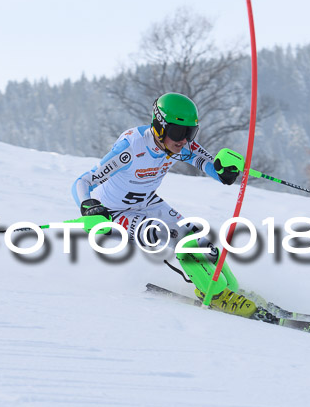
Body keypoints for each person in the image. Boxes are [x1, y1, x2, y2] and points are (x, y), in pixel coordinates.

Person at [71, 92, 258, 317]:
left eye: (190, 132)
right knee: (164, 233)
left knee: (196, 238)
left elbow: (210, 166)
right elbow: (83, 182)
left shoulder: (179, 146)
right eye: (178, 132)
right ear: (159, 126)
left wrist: (224, 171)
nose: (183, 140)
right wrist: (89, 206)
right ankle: (215, 294)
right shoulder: (131, 148)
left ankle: (228, 287)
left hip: (147, 203)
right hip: (113, 212)